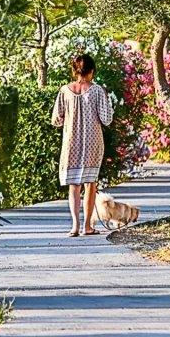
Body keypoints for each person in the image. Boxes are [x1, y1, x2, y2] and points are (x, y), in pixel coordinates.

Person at [51, 54, 114, 237]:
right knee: (90, 184)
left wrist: (70, 120)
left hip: (71, 143)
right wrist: (106, 99)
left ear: (74, 70)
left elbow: (56, 119)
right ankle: (87, 226)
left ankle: (75, 226)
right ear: (92, 71)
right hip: (93, 143)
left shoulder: (64, 90)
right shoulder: (97, 91)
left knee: (73, 185)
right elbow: (107, 119)